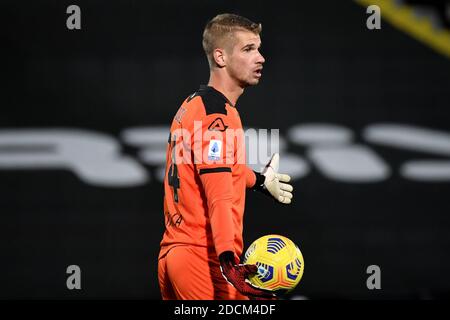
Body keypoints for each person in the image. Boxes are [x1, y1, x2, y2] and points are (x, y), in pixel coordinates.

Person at [157, 13, 293, 300]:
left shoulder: (193, 105)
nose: (261, 58)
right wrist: (229, 262)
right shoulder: (217, 117)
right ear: (220, 57)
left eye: (258, 48)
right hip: (203, 260)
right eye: (248, 49)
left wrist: (257, 180)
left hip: (175, 253)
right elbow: (217, 194)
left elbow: (217, 168)